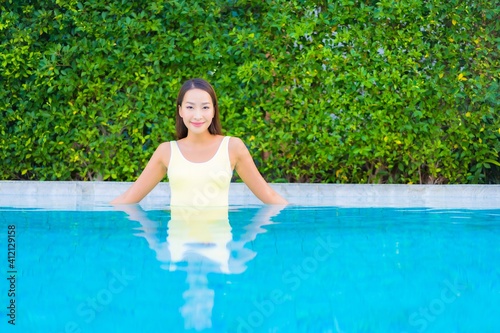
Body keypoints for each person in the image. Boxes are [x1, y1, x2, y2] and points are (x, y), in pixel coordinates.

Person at [111, 78, 288, 206]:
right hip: (179, 250)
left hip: (217, 250)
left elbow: (269, 196)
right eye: (190, 107)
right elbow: (129, 199)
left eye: (205, 107)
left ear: (213, 111)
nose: (197, 115)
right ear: (180, 111)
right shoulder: (167, 151)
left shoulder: (232, 148)